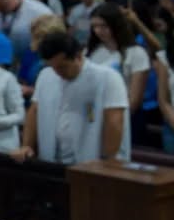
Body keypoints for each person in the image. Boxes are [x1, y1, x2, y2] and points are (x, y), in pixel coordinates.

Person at [11, 31, 130, 164]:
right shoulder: (46, 75)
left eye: (62, 67)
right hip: (53, 158)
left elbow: (114, 121)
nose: (57, 72)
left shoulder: (108, 78)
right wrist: (27, 145)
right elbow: (34, 111)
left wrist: (110, 159)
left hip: (93, 160)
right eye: (53, 67)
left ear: (78, 56)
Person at [85, 3, 150, 114]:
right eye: (95, 26)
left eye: (103, 26)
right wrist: (91, 117)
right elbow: (86, 93)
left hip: (125, 115)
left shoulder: (136, 53)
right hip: (95, 114)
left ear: (116, 25)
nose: (98, 31)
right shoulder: (89, 53)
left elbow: (134, 101)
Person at [0, 0, 52, 66]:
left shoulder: (39, 12)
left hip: (32, 63)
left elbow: (51, 41)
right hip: (2, 61)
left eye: (1, 6)